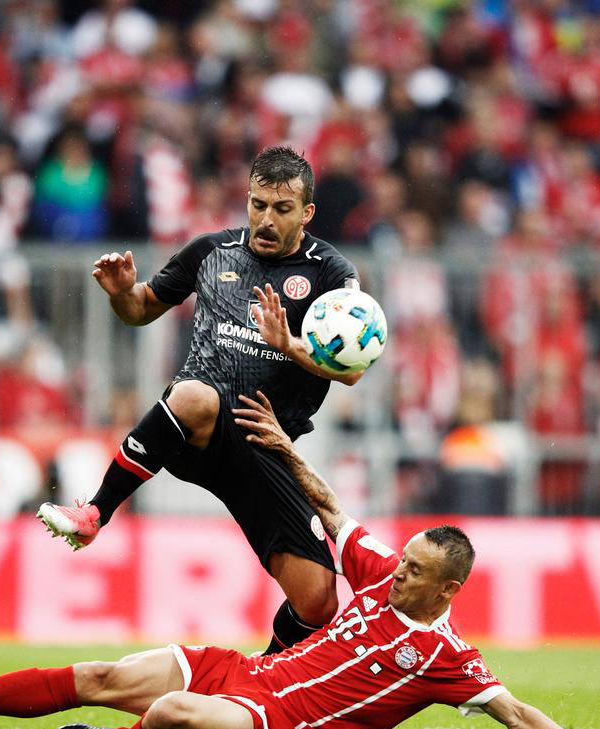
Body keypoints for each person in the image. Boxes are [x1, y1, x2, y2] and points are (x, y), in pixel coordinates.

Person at [0, 392, 600, 729]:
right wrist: (284, 447)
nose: (396, 573)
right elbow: (332, 507)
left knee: (173, 713)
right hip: (246, 672)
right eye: (403, 560)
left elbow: (516, 713)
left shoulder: (446, 657)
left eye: (414, 572)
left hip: (279, 723)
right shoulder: (380, 571)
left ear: (447, 590)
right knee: (102, 673)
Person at [37, 146, 362, 653]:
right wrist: (122, 293)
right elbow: (142, 308)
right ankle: (95, 513)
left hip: (268, 446)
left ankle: (261, 681)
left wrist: (291, 346)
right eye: (258, 205)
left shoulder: (332, 274)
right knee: (193, 394)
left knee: (319, 601)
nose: (266, 219)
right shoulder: (212, 251)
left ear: (307, 213)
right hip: (200, 430)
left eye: (282, 209)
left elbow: (352, 371)